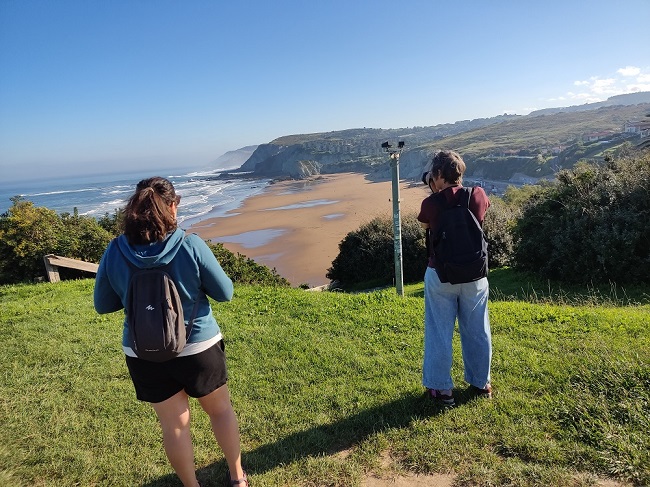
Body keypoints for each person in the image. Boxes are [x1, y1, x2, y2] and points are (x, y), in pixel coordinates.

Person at [93, 177, 248, 487]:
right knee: (220, 412)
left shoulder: (115, 250)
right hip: (198, 347)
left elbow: (103, 304)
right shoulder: (190, 244)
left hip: (142, 351)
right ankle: (237, 478)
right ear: (173, 206)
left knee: (174, 426)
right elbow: (225, 293)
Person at [417, 150, 492, 406]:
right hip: (475, 274)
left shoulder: (431, 203)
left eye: (433, 173)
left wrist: (434, 192)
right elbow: (481, 215)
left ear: (438, 174)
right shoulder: (478, 194)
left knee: (440, 331)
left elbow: (426, 226)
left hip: (441, 275)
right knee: (478, 329)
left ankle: (442, 390)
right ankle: (481, 383)